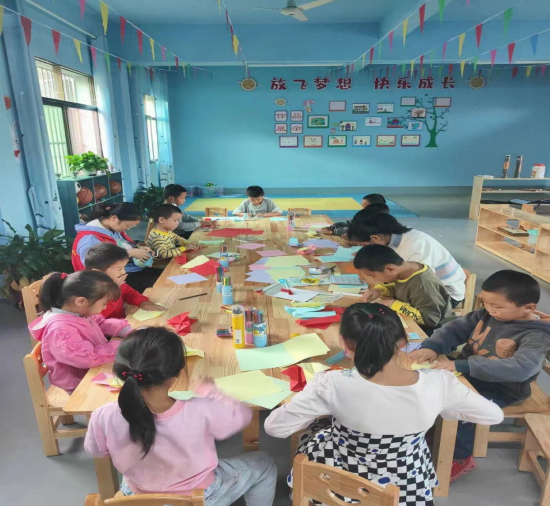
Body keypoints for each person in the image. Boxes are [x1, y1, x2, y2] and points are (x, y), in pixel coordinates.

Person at [265, 303, 503, 506]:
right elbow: (492, 416)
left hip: (337, 481)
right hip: (407, 485)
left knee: (315, 433)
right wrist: (442, 407)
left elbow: (275, 428)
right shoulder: (440, 382)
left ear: (343, 343)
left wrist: (316, 408)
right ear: (403, 342)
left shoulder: (331, 383)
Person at [84, 326, 277, 504]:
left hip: (138, 496)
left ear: (121, 372)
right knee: (264, 462)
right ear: (175, 375)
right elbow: (240, 416)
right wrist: (210, 391)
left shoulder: (103, 415)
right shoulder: (200, 410)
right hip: (199, 497)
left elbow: (97, 451)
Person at [409, 270, 550, 482]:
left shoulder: (537, 334)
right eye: (486, 303)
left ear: (528, 308)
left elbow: (522, 368)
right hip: (469, 373)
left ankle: (459, 458)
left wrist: (463, 364)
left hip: (503, 387)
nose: (490, 310)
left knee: (462, 411)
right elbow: (455, 329)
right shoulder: (485, 314)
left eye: (497, 306)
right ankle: (436, 435)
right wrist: (432, 347)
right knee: (425, 389)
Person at [28, 271, 132, 393]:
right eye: (104, 303)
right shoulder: (60, 329)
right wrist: (121, 346)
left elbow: (100, 322)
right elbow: (86, 358)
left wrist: (126, 331)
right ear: (81, 301)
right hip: (79, 383)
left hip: (93, 369)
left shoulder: (78, 312)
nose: (105, 307)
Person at [347, 213, 466, 306]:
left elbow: (422, 288)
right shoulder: (395, 237)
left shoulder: (416, 246)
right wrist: (380, 290)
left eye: (363, 246)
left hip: (443, 296)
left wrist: (390, 299)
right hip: (417, 291)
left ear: (375, 238)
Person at [354, 244, 453, 333]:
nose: (374, 279)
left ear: (390, 269)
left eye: (372, 275)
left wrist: (392, 304)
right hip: (414, 320)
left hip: (435, 331)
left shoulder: (423, 285)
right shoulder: (406, 269)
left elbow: (430, 320)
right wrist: (379, 290)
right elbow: (402, 287)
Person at [72, 202, 160, 293]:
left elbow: (123, 243)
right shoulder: (90, 239)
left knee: (163, 277)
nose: (128, 229)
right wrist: (129, 253)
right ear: (114, 218)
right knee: (159, 285)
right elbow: (94, 265)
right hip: (111, 280)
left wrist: (139, 248)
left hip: (128, 269)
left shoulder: (113, 229)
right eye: (128, 226)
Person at [85, 243, 166, 319]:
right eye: (119, 269)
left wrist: (142, 302)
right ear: (98, 272)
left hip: (123, 322)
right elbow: (101, 316)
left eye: (124, 267)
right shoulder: (90, 292)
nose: (124, 272)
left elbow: (129, 292)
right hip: (107, 328)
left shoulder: (115, 281)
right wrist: (113, 290)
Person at [322, 203, 390, 237]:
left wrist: (334, 231)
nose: (362, 209)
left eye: (363, 206)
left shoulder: (376, 228)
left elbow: (354, 230)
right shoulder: (364, 216)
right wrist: (333, 227)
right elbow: (350, 223)